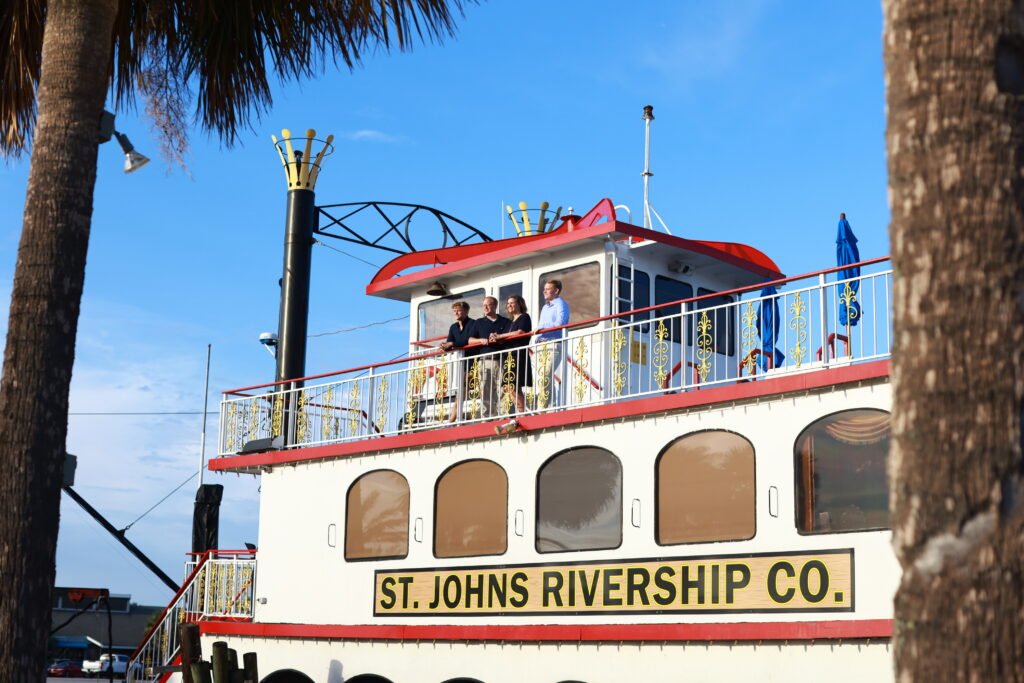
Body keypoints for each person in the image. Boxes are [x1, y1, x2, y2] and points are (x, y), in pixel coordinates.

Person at [467, 296, 510, 417]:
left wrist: (500, 338)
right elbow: (470, 340)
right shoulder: (478, 322)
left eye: (488, 305)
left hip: (501, 359)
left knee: (502, 389)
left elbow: (509, 337)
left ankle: (503, 415)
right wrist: (480, 340)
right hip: (485, 360)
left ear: (495, 306)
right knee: (485, 390)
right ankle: (487, 417)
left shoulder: (505, 321)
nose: (485, 307)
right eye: (483, 305)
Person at [490, 295, 532, 414]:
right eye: (508, 303)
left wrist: (500, 336)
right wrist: (495, 337)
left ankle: (521, 412)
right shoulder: (509, 322)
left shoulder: (524, 317)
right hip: (509, 356)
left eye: (512, 303)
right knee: (509, 386)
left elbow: (520, 332)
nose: (509, 305)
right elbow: (505, 337)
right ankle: (520, 411)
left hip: (518, 354)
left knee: (514, 385)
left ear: (520, 304)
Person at [534, 279, 570, 407]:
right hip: (541, 344)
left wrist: (542, 327)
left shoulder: (561, 304)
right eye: (544, 289)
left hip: (553, 343)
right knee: (543, 377)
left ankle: (543, 407)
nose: (544, 291)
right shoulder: (545, 307)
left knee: (545, 374)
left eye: (548, 289)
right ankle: (551, 406)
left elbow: (561, 322)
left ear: (556, 291)